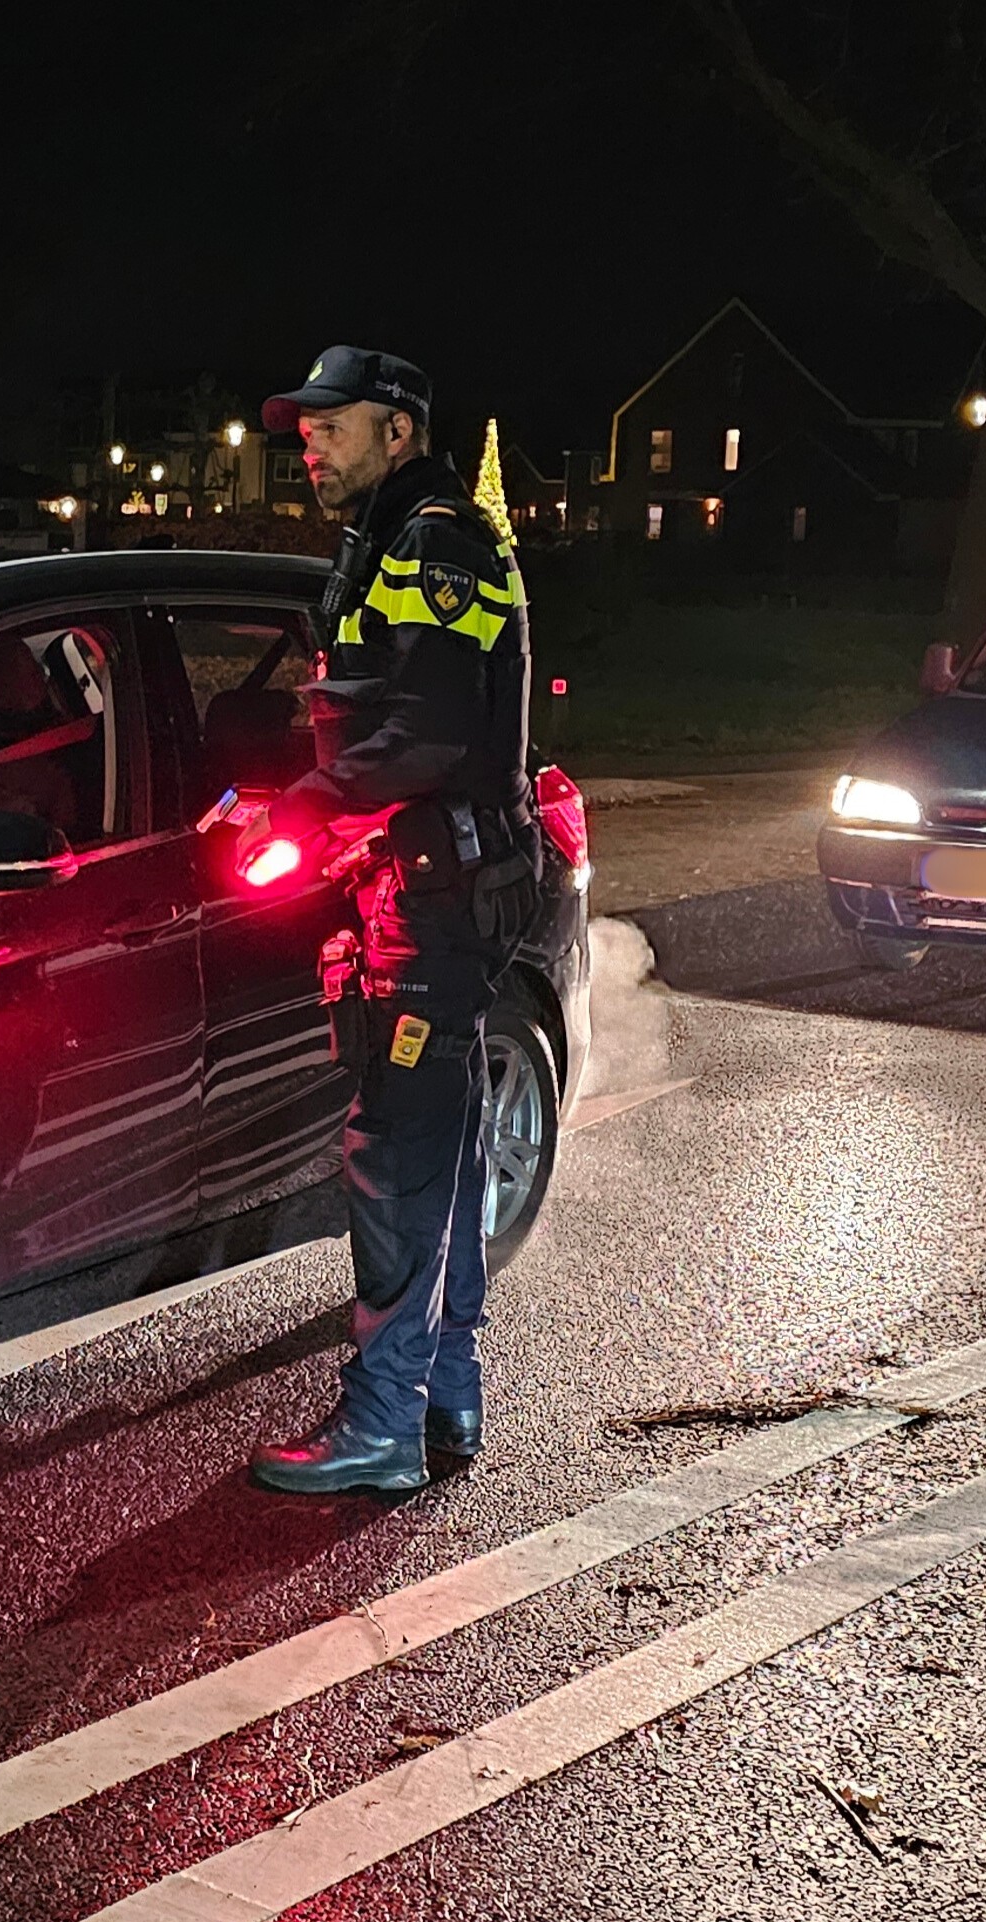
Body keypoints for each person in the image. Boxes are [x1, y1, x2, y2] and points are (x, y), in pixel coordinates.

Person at [246, 345, 547, 1496]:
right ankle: (444, 1394)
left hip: (436, 891)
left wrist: (302, 804)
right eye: (305, 427)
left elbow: (426, 733)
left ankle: (380, 1424)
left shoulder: (428, 540)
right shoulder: (392, 536)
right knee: (448, 1147)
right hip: (436, 879)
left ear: (400, 427)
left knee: (396, 1155)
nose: (309, 443)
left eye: (333, 423)